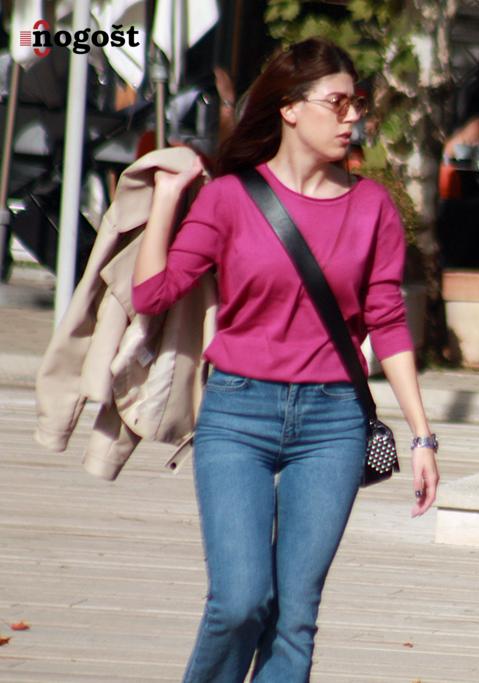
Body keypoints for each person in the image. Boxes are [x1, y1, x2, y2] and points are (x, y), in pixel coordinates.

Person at [131, 38, 440, 682]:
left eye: (357, 103)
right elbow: (152, 294)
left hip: (333, 423)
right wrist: (166, 197)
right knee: (240, 601)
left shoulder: (372, 207)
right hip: (238, 413)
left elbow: (387, 322)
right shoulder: (230, 198)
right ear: (291, 109)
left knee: (295, 616)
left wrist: (421, 436)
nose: (352, 117)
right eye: (338, 102)